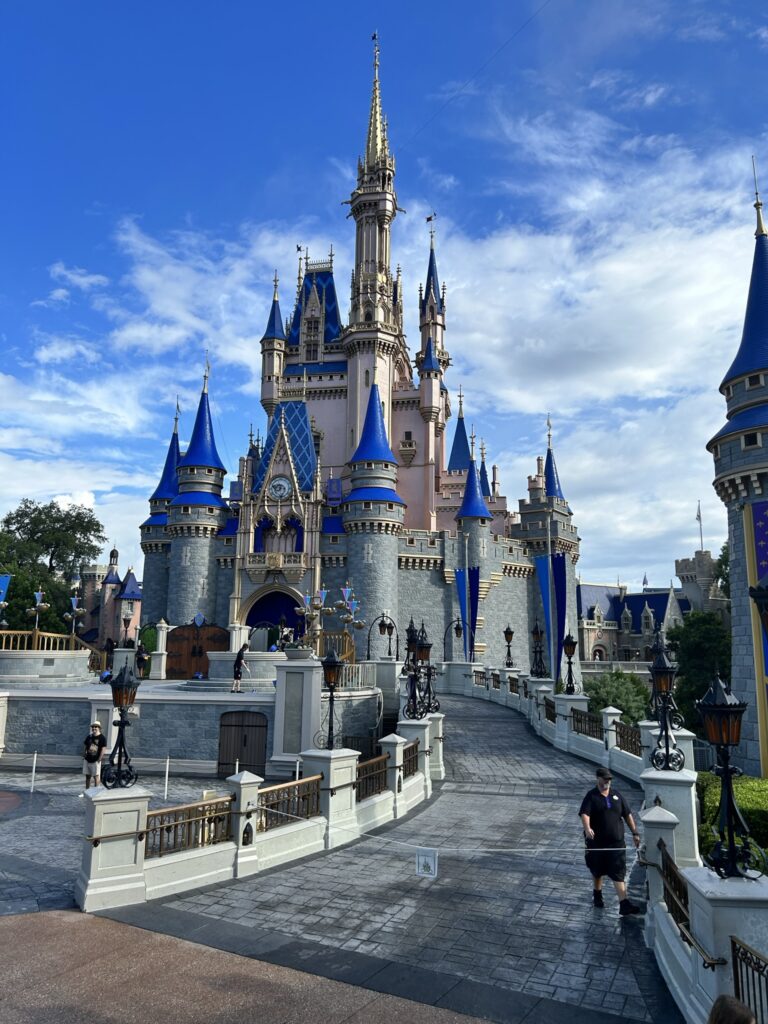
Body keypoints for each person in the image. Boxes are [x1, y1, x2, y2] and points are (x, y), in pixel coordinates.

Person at [579, 766, 642, 916]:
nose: (608, 781)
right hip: (597, 843)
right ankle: (597, 894)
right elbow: (585, 813)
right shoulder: (591, 796)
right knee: (597, 870)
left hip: (617, 843)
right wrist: (587, 828)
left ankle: (624, 903)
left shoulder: (617, 795)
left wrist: (635, 832)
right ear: (598, 778)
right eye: (605, 779)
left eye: (609, 779)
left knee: (618, 871)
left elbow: (627, 814)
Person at [80, 720, 107, 795]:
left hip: (95, 760)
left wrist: (100, 758)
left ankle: (96, 793)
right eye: (93, 727)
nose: (94, 728)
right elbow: (85, 745)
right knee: (87, 776)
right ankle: (86, 792)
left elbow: (103, 748)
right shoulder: (89, 736)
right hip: (87, 759)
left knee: (96, 776)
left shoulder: (102, 738)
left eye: (96, 727)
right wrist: (84, 753)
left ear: (99, 728)